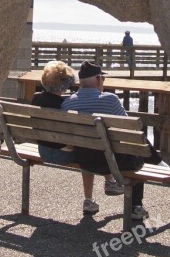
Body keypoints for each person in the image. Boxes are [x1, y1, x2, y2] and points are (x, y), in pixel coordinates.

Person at [31, 61, 122, 215]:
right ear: (65, 84)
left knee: (84, 144)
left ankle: (91, 198)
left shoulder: (37, 99)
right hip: (63, 154)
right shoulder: (64, 104)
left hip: (43, 151)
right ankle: (108, 183)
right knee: (87, 145)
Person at [61, 61, 149, 220]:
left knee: (90, 145)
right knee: (138, 152)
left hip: (84, 160)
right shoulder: (110, 100)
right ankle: (136, 207)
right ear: (98, 79)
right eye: (103, 78)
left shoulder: (68, 103)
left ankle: (93, 197)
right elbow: (130, 129)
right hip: (112, 162)